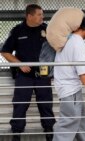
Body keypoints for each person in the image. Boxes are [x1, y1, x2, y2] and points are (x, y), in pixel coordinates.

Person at [0, 4, 55, 141]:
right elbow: (5, 52)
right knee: (20, 104)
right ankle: (16, 134)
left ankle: (49, 132)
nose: (42, 17)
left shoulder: (48, 29)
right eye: (39, 14)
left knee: (46, 104)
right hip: (24, 76)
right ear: (29, 16)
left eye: (43, 14)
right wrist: (20, 64)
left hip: (43, 75)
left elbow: (59, 47)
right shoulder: (18, 31)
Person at [52, 14, 85, 141]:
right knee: (67, 125)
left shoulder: (67, 39)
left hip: (69, 90)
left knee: (82, 124)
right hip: (71, 91)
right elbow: (83, 72)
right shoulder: (78, 43)